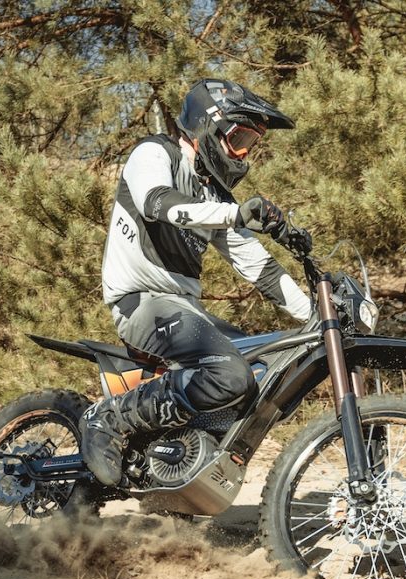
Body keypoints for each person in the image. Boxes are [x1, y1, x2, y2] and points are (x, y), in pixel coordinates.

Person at [80, 78, 314, 486]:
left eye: (251, 144)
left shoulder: (215, 196)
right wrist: (234, 215)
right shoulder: (155, 153)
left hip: (184, 309)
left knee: (265, 371)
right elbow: (157, 203)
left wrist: (318, 314)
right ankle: (109, 418)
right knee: (230, 375)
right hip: (141, 301)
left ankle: (179, 466)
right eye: (239, 139)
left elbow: (261, 270)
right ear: (208, 126)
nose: (244, 153)